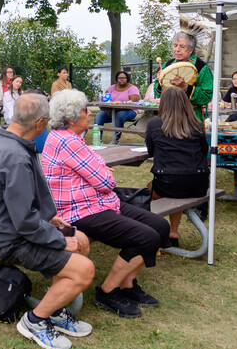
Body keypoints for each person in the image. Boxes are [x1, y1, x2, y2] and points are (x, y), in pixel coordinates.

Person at [0, 94, 94, 349]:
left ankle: (55, 310)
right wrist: (59, 240)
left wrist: (48, 218)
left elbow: (16, 202)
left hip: (17, 228)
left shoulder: (2, 140)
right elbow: (25, 222)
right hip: (10, 240)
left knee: (82, 240)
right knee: (84, 270)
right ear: (40, 123)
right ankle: (35, 321)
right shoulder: (14, 155)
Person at [43, 89, 169, 319]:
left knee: (160, 226)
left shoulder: (68, 137)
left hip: (99, 202)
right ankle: (107, 292)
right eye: (85, 110)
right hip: (77, 211)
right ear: (71, 118)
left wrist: (99, 171)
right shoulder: (68, 141)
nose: (90, 113)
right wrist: (103, 173)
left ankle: (127, 284)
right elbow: (105, 181)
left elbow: (95, 169)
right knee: (146, 237)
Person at [145, 87, 209, 246]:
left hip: (169, 183)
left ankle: (156, 231)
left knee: (149, 190)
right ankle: (173, 231)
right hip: (199, 183)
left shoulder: (154, 123)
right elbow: (204, 151)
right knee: (177, 187)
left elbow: (150, 151)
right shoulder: (197, 124)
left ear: (163, 103)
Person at [154, 31, 214, 123]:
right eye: (175, 45)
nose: (177, 49)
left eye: (182, 47)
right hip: (169, 115)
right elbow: (158, 94)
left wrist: (186, 87)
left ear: (190, 50)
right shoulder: (167, 65)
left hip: (191, 117)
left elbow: (206, 96)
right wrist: (160, 80)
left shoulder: (202, 68)